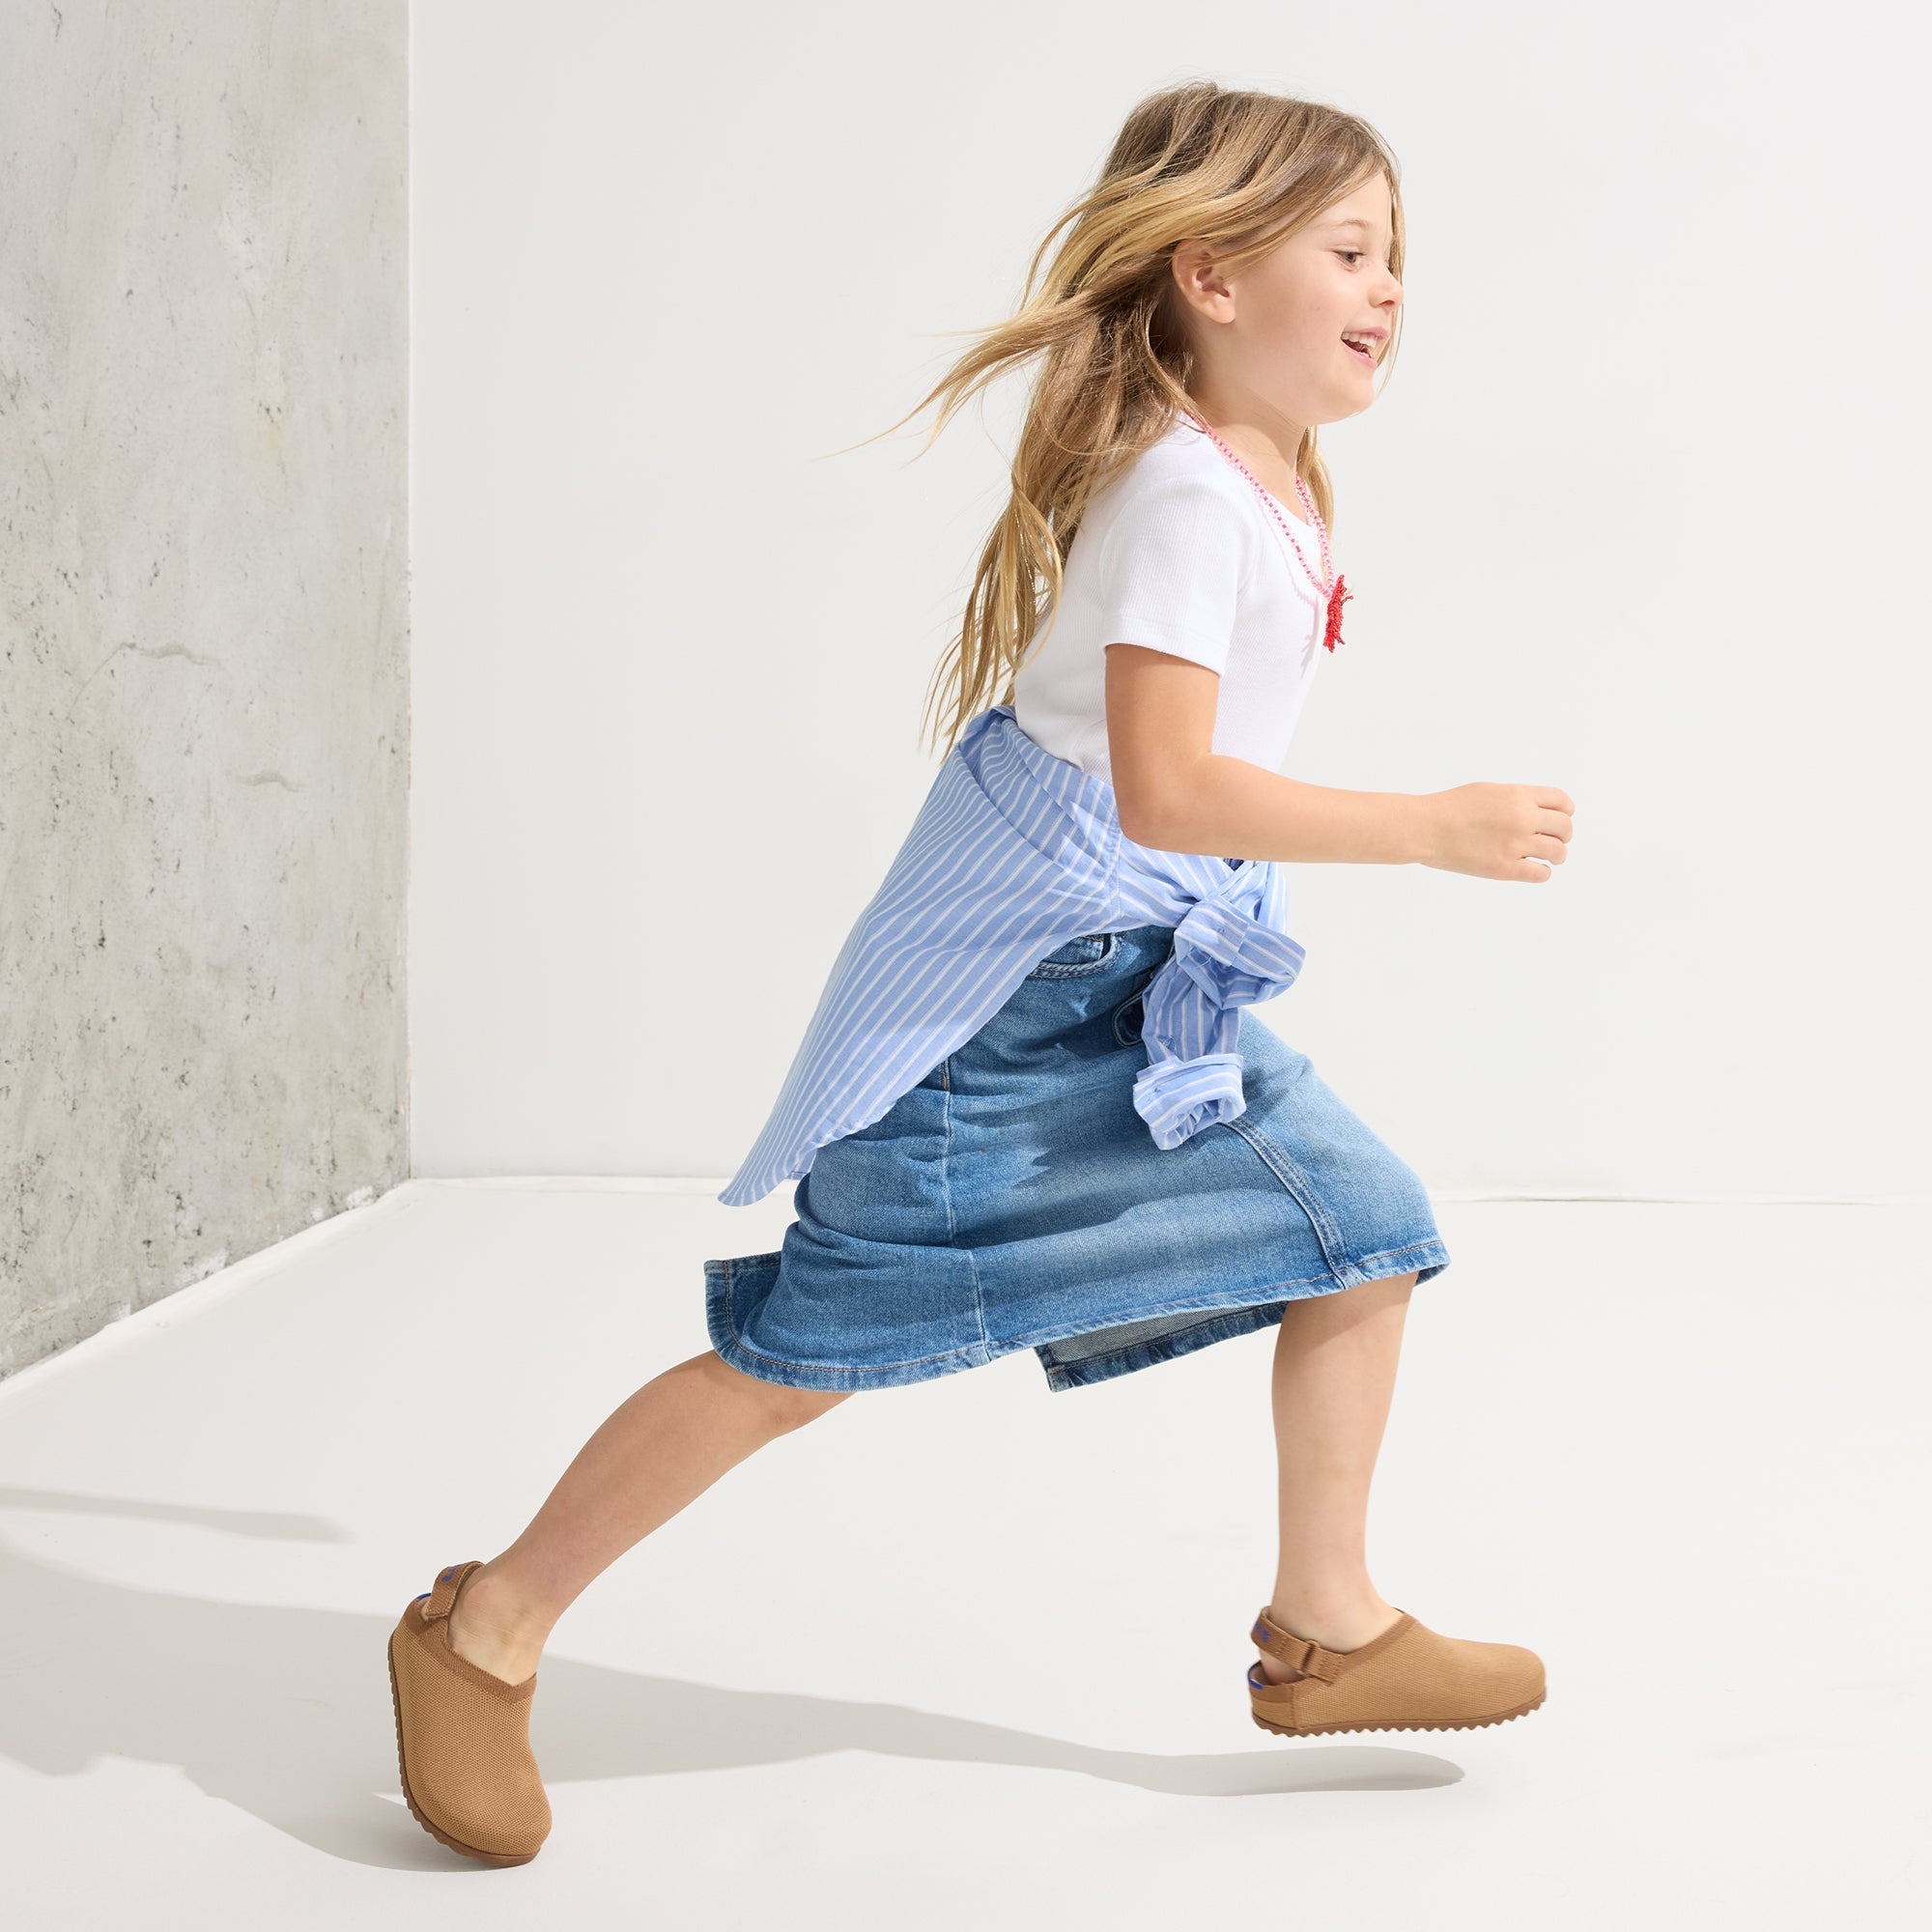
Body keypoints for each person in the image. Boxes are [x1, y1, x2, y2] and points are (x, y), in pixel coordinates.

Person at [386, 80, 1577, 1865]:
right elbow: (1166, 781)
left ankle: (1326, 1624)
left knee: (1366, 1224)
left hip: (1140, 991)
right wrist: (1430, 826)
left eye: (1399, 253)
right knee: (802, 1353)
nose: (1391, 283)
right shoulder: (1184, 495)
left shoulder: (1270, 472)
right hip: (1005, 1014)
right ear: (1213, 276)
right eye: (1350, 247)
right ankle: (478, 1636)